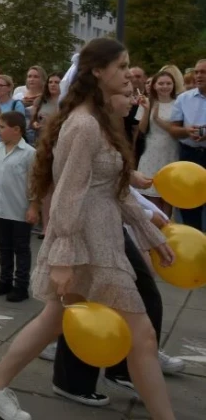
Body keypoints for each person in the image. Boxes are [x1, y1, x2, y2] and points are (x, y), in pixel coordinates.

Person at [0, 38, 177, 420]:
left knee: (54, 321)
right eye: (121, 66)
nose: (128, 75)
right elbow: (67, 194)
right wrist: (63, 258)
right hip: (87, 243)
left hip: (100, 240)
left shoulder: (96, 121)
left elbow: (112, 193)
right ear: (97, 71)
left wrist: (151, 236)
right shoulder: (83, 125)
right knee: (141, 336)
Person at [45, 87, 184, 408]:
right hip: (92, 231)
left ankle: (122, 365)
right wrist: (63, 251)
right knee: (72, 310)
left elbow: (113, 184)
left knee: (77, 308)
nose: (135, 97)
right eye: (126, 88)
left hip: (108, 228)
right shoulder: (86, 126)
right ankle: (89, 374)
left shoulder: (109, 126)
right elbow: (76, 190)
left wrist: (148, 224)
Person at [0, 111, 37, 303]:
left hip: (19, 208)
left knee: (21, 247)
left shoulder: (29, 153)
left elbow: (35, 182)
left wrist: (33, 206)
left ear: (16, 130)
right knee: (3, 246)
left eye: (2, 127)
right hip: (0, 207)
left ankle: (21, 285)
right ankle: (4, 280)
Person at [166, 58, 206, 232]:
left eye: (203, 72)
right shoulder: (183, 99)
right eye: (196, 72)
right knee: (190, 205)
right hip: (190, 156)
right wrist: (187, 131)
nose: (198, 76)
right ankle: (195, 242)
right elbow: (173, 130)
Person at [137, 70, 180, 218]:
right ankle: (156, 229)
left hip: (172, 150)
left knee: (169, 193)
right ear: (154, 85)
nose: (165, 87)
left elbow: (179, 129)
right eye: (161, 83)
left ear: (173, 85)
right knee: (153, 194)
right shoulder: (148, 102)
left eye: (168, 83)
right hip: (151, 151)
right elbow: (141, 129)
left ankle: (168, 225)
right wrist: (147, 110)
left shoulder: (178, 103)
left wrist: (158, 120)